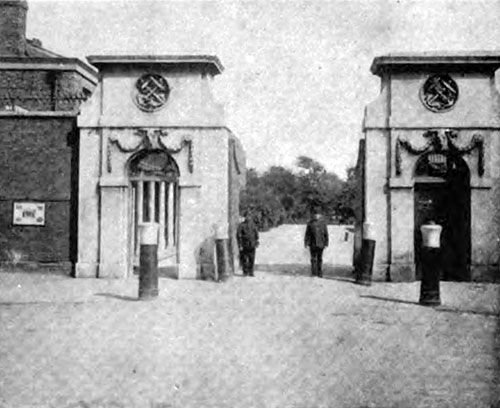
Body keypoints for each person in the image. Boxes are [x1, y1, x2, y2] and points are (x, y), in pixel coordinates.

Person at [304, 211, 329, 278]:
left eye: (318, 215)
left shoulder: (323, 224)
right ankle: (313, 272)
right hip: (313, 244)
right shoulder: (310, 223)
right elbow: (307, 234)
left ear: (320, 215)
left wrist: (326, 243)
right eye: (315, 215)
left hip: (321, 244)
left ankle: (320, 272)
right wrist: (306, 243)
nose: (316, 216)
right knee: (313, 259)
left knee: (319, 259)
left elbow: (326, 234)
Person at [236, 212, 259, 277]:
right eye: (247, 216)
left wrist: (256, 242)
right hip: (244, 244)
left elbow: (256, 234)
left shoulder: (253, 225)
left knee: (252, 258)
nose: (248, 217)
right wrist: (240, 245)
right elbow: (238, 236)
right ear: (245, 217)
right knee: (244, 258)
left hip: (252, 244)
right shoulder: (241, 225)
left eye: (249, 216)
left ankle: (251, 272)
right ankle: (245, 272)